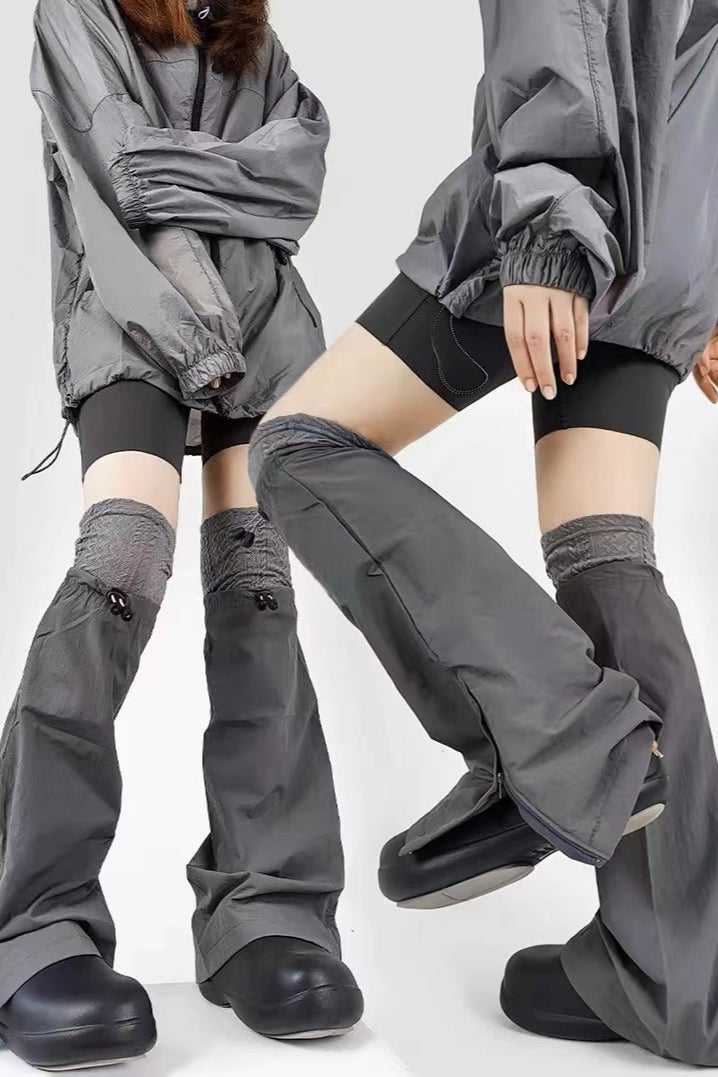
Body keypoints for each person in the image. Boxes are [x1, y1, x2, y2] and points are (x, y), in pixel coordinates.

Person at [246, 0, 718, 1065]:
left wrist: (548, 214)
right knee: (606, 557)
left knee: (297, 448)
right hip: (679, 226)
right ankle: (681, 977)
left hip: (582, 202)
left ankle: (562, 747)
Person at [0, 0, 363, 1069]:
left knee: (258, 585)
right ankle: (31, 926)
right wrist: (237, 185)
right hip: (130, 318)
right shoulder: (76, 14)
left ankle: (270, 908)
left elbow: (301, 180)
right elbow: (117, 180)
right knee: (120, 561)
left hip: (268, 330)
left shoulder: (254, 36)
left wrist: (193, 177)